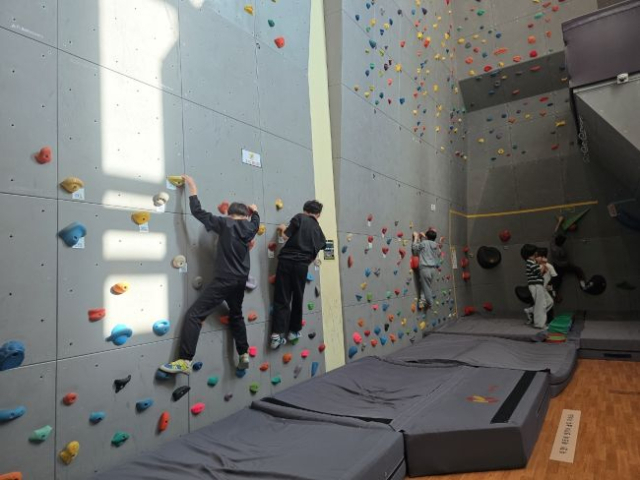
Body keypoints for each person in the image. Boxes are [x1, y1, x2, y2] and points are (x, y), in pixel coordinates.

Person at [160, 175, 260, 374]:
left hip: (224, 280)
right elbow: (256, 221)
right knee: (236, 314)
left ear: (230, 214)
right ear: (245, 216)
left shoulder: (224, 223)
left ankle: (185, 361)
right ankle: (243, 353)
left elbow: (197, 211)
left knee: (194, 315)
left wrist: (192, 187)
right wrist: (255, 211)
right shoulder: (250, 227)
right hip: (240, 281)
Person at [270, 200, 327, 349]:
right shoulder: (318, 230)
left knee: (282, 297)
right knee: (298, 297)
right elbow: (319, 248)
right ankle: (293, 331)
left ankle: (276, 335)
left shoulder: (300, 218)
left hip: (286, 261)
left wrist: (282, 228)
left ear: (304, 210)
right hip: (302, 265)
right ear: (318, 215)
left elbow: (285, 236)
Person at [549, 216, 586, 301]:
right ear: (561, 244)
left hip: (556, 264)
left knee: (557, 280)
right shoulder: (561, 251)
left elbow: (555, 231)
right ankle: (583, 284)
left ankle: (554, 294)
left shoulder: (552, 242)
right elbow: (565, 257)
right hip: (564, 265)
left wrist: (559, 221)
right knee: (577, 270)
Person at [522, 244, 554, 329]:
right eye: (535, 252)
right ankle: (539, 324)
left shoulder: (533, 262)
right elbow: (540, 272)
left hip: (539, 285)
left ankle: (530, 310)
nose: (537, 253)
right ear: (532, 253)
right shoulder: (530, 263)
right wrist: (544, 263)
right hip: (535, 286)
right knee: (540, 305)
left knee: (549, 302)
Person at [412, 229, 440, 310]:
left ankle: (430, 302)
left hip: (425, 268)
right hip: (432, 269)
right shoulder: (435, 245)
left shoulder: (424, 243)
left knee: (426, 286)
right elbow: (428, 246)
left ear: (427, 237)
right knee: (425, 285)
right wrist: (423, 237)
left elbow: (415, 249)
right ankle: (422, 301)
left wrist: (416, 237)